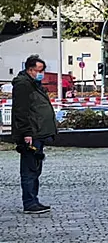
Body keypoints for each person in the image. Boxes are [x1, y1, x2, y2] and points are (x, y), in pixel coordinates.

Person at [11, 55, 57, 214]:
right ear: (30, 69)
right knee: (30, 169)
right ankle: (30, 202)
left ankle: (33, 200)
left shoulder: (33, 84)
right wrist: (26, 133)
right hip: (32, 134)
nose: (42, 73)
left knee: (35, 167)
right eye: (39, 70)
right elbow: (21, 111)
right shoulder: (23, 85)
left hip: (38, 132)